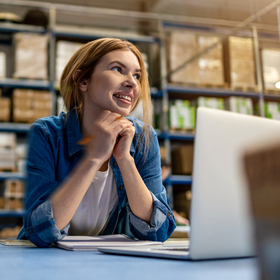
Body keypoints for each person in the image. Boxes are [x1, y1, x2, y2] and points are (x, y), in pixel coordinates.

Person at [17, 38, 176, 247]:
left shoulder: (144, 138)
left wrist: (125, 159)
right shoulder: (47, 134)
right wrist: (94, 157)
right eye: (118, 69)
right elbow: (40, 231)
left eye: (137, 75)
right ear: (83, 80)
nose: (132, 82)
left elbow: (159, 231)